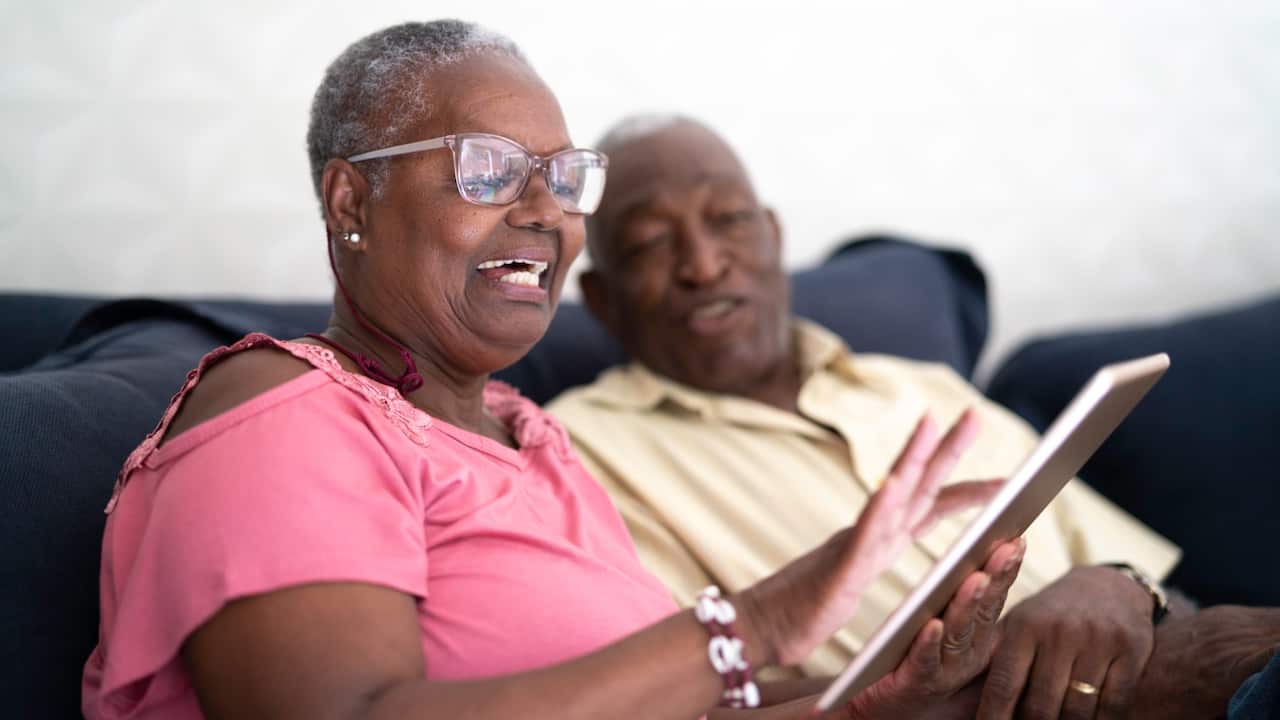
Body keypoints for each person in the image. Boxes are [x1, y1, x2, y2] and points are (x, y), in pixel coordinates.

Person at [81, 21, 1026, 720]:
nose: (544, 211)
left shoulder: (531, 439)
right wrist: (754, 623)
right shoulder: (285, 415)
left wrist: (885, 698)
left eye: (564, 177)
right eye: (489, 168)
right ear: (350, 200)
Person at [549, 114, 1280, 718]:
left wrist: (1119, 584)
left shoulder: (922, 386)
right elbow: (676, 702)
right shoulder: (581, 454)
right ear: (604, 300)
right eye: (650, 242)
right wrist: (1010, 672)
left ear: (772, 236)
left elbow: (1170, 591)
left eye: (729, 220)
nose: (704, 264)